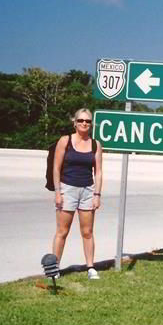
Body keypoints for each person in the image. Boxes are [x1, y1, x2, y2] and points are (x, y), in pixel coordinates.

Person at [51, 108, 103, 279]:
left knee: (87, 232)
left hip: (88, 190)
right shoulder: (65, 141)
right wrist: (58, 192)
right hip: (68, 189)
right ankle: (54, 268)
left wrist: (97, 194)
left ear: (91, 124)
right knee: (62, 231)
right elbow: (56, 168)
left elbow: (99, 172)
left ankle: (90, 267)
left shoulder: (95, 145)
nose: (84, 124)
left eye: (87, 121)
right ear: (74, 122)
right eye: (81, 120)